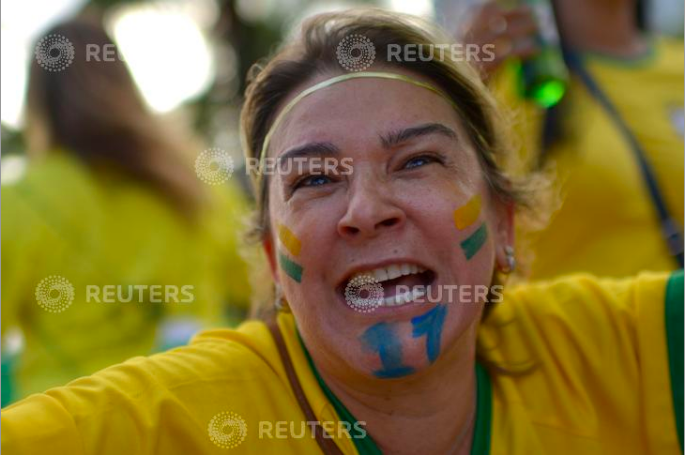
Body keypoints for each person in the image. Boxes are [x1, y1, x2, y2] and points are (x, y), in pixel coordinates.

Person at [2, 9, 682, 454]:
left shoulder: (625, 351)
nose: (366, 208)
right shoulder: (168, 422)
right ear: (272, 257)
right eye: (314, 179)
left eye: (416, 160)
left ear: (503, 221)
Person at [1, 16, 251, 402]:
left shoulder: (18, 203)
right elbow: (261, 289)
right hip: (193, 411)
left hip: (71, 426)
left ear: (37, 99)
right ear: (123, 81)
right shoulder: (197, 180)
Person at [456, 0, 684, 280]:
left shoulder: (678, 65)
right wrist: (456, 79)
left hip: (670, 319)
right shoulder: (506, 82)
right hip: (571, 320)